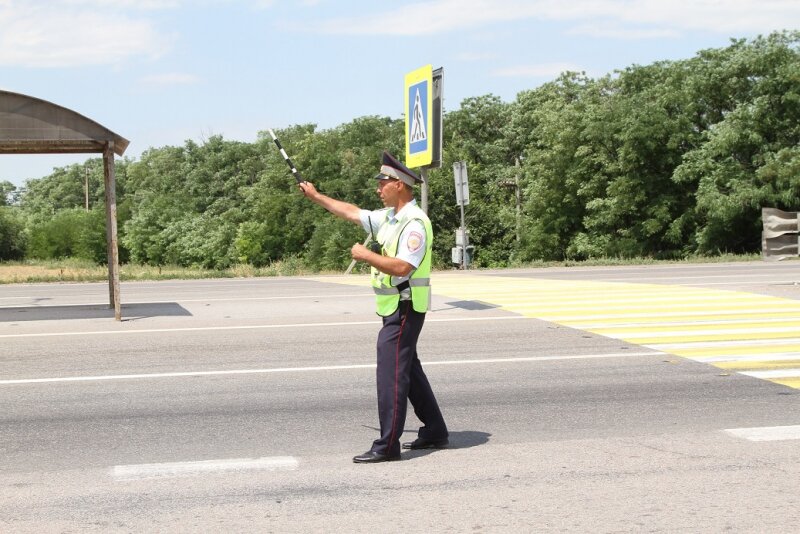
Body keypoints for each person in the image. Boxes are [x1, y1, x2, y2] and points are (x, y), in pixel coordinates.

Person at [299, 151, 449, 463]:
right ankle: (435, 429)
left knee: (391, 374)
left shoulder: (415, 223)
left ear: (401, 185)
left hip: (405, 308)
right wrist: (316, 197)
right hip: (394, 307)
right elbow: (352, 212)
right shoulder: (390, 218)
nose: (378, 188)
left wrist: (366, 256)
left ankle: (388, 444)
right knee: (407, 368)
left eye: (383, 183)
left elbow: (403, 267)